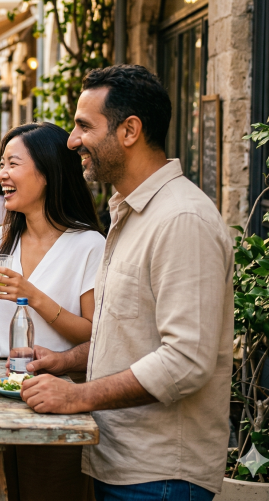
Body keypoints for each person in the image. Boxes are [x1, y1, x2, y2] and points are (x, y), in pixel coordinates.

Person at [22, 64, 233, 500]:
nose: (71, 140)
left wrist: (77, 398)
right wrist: (66, 362)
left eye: (84, 126)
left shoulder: (181, 219)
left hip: (160, 476)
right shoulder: (133, 213)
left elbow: (185, 361)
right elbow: (134, 337)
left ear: (129, 130)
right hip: (123, 465)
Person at [0, 122, 105, 495]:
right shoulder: (0, 238)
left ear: (47, 173)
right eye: (1, 164)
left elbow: (96, 334)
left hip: (55, 397)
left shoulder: (89, 245)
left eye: (13, 163)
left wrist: (33, 296)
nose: (1, 174)